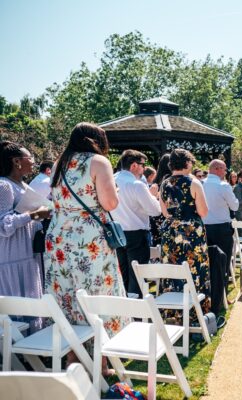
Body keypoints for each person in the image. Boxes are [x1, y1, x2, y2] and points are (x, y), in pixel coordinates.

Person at [44, 123, 126, 373]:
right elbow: (109, 203)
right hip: (87, 238)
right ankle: (100, 361)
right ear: (97, 140)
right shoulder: (98, 162)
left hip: (58, 237)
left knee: (66, 295)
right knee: (94, 293)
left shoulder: (59, 163)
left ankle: (73, 358)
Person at [0, 141, 49, 330]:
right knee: (18, 312)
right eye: (31, 158)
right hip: (13, 258)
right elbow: (3, 225)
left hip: (29, 255)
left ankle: (32, 353)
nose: (34, 162)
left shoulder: (22, 185)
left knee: (31, 307)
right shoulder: (4, 185)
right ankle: (19, 354)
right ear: (16, 161)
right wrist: (35, 215)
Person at [159, 149, 211, 314]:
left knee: (172, 269)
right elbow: (203, 212)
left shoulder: (164, 184)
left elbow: (165, 212)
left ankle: (174, 313)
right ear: (187, 162)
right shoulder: (194, 183)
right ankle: (195, 314)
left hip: (170, 231)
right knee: (195, 268)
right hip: (191, 233)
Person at [112, 150, 161, 298]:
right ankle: (137, 313)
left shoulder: (112, 180)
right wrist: (152, 196)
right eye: (142, 166)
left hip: (116, 233)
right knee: (137, 276)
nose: (143, 169)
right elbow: (155, 211)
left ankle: (124, 310)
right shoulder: (137, 185)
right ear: (134, 165)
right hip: (136, 234)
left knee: (122, 274)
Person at [203, 159, 239, 284]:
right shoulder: (223, 185)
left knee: (207, 262)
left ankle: (208, 293)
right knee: (223, 262)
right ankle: (221, 297)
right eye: (224, 169)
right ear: (217, 169)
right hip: (222, 229)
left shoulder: (200, 184)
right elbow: (235, 206)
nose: (225, 172)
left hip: (204, 228)